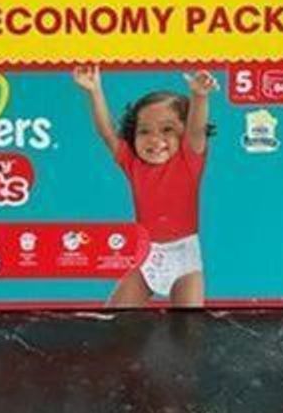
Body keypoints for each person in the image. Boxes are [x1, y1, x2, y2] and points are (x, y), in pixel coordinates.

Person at [73, 64, 218, 307]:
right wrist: (94, 90)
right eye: (144, 131)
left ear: (184, 135)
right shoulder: (132, 163)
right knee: (112, 318)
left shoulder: (189, 160)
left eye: (167, 129)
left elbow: (196, 129)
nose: (154, 139)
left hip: (184, 259)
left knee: (188, 324)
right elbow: (107, 132)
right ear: (133, 135)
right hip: (146, 256)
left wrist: (199, 96)